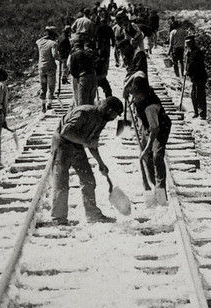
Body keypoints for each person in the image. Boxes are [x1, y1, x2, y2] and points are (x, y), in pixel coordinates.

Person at [50, 97, 124, 225]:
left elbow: (93, 143)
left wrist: (101, 163)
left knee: (88, 179)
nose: (114, 118)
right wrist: (86, 142)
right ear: (109, 109)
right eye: (115, 115)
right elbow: (66, 132)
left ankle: (93, 215)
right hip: (61, 145)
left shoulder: (102, 119)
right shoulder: (84, 112)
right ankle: (58, 218)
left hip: (77, 145)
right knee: (61, 183)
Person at [129, 76, 172, 198]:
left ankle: (160, 192)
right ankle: (151, 184)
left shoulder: (151, 107)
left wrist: (147, 148)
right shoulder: (137, 93)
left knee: (157, 156)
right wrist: (126, 92)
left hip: (161, 127)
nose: (136, 97)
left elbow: (155, 129)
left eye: (137, 95)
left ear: (143, 93)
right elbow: (136, 75)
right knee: (146, 158)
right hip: (147, 125)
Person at [36, 26, 59, 112]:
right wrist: (60, 59)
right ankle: (49, 104)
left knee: (43, 87)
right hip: (50, 67)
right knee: (51, 86)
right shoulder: (53, 43)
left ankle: (43, 104)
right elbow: (55, 55)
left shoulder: (39, 42)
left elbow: (38, 40)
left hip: (41, 67)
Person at [68, 42, 98, 106]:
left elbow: (72, 70)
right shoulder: (89, 54)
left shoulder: (74, 55)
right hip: (93, 77)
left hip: (83, 78)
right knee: (91, 101)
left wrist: (77, 78)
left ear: (75, 47)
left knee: (82, 103)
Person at [185, 35, 207, 119]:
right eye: (187, 44)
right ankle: (196, 112)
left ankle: (202, 114)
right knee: (194, 95)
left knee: (199, 95)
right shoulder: (191, 52)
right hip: (195, 77)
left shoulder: (197, 52)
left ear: (193, 43)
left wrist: (187, 71)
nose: (187, 45)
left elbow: (193, 64)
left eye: (189, 43)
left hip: (200, 76)